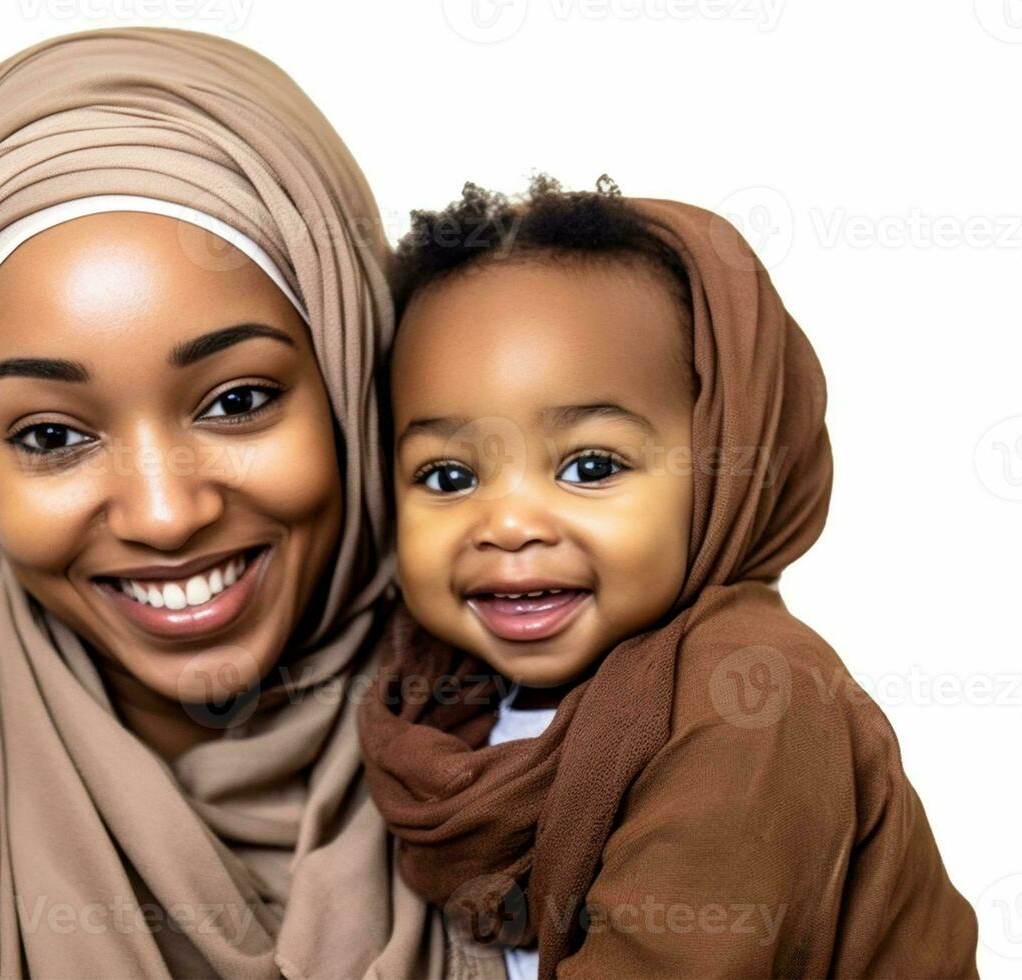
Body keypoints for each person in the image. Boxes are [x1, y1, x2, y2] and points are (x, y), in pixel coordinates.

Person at [0, 28, 482, 979]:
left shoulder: (563, 785)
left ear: (349, 387)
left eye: (237, 401)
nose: (164, 514)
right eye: (50, 437)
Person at [358, 176, 979, 978]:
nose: (508, 526)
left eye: (588, 465)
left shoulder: (751, 693)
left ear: (725, 469)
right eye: (446, 477)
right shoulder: (438, 703)